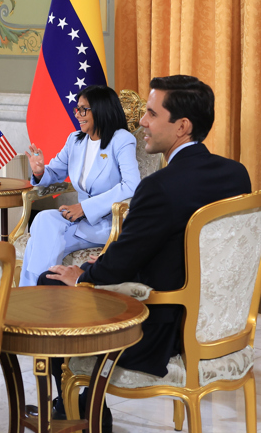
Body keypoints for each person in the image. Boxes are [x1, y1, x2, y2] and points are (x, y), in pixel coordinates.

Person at [40, 75, 251, 393]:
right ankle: (88, 407)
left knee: (52, 282)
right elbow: (180, 247)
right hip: (214, 326)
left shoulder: (159, 187)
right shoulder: (236, 175)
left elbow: (119, 267)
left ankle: (67, 408)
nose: (142, 122)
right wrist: (111, 261)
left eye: (152, 113)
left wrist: (84, 274)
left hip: (154, 334)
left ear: (182, 126)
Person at [19, 85, 140, 287]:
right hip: (77, 220)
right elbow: (55, 172)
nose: (78, 114)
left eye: (84, 109)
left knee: (39, 239)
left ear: (101, 109)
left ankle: (33, 294)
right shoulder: (75, 140)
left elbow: (131, 185)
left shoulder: (121, 140)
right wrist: (40, 170)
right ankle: (39, 293)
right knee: (43, 220)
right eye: (77, 109)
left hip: (107, 223)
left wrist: (84, 208)